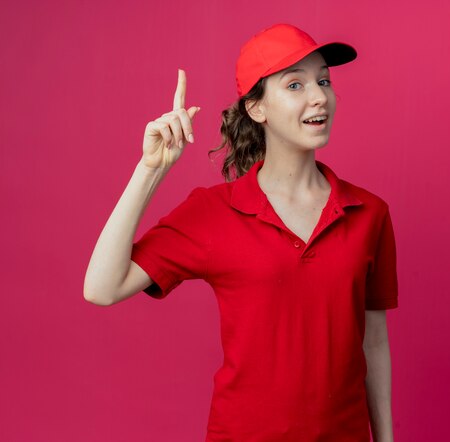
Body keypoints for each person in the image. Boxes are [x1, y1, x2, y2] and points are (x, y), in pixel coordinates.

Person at [84, 23, 398, 442]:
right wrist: (151, 170)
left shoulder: (368, 213)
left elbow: (373, 342)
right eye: (295, 85)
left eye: (324, 80)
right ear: (257, 109)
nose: (319, 95)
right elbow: (102, 288)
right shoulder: (214, 212)